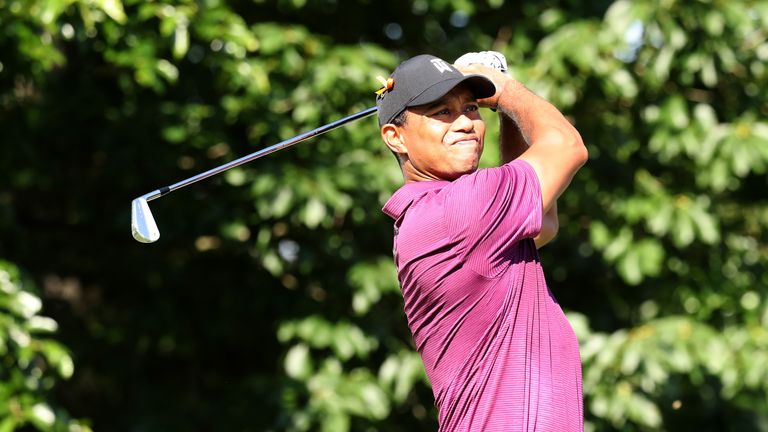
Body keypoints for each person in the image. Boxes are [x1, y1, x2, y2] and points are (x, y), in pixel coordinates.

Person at [376, 53, 588, 431]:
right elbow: (566, 145)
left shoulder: (455, 217)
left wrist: (505, 113)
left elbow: (543, 224)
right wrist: (504, 89)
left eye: (472, 108)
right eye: (441, 112)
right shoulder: (456, 213)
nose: (465, 124)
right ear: (396, 137)